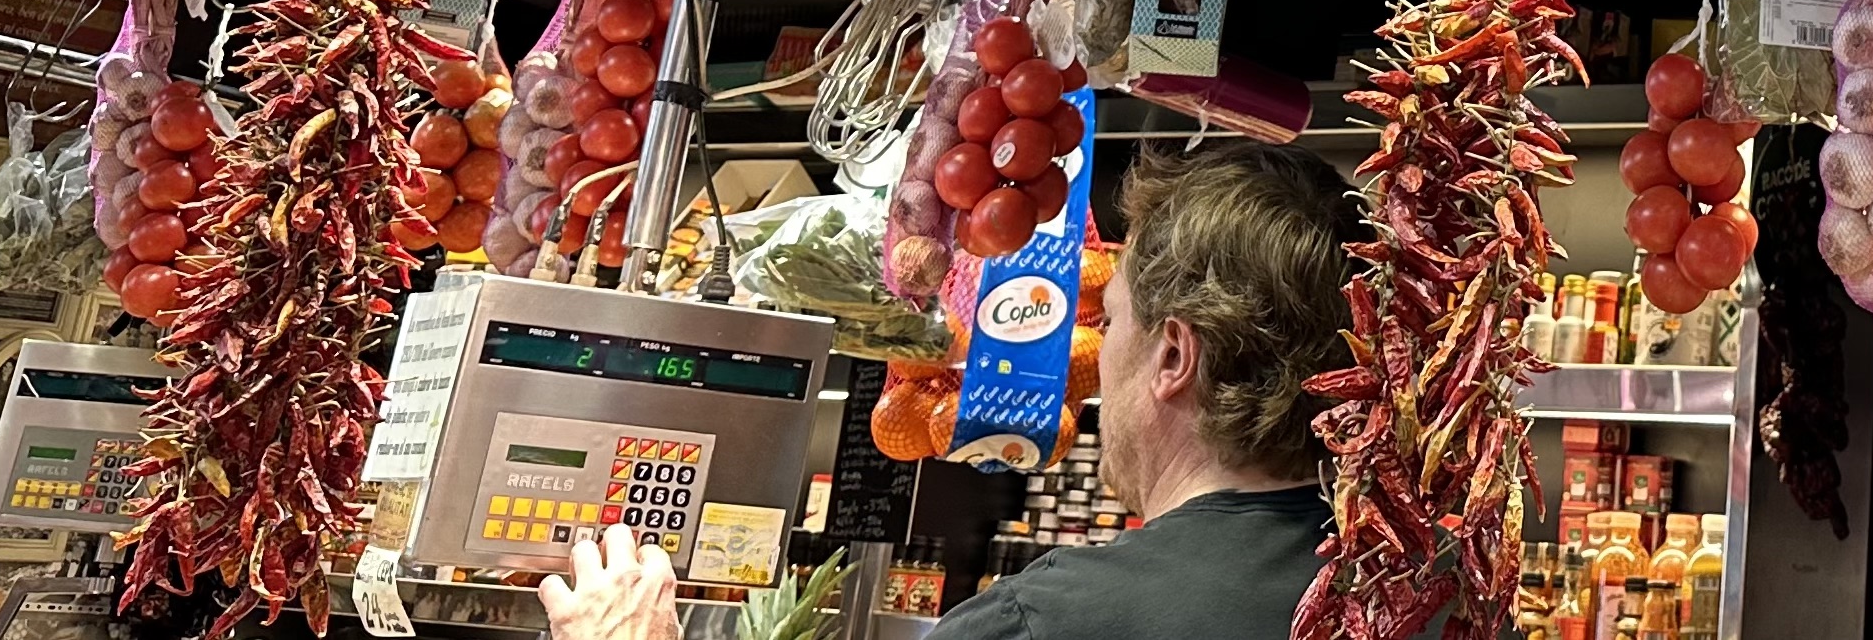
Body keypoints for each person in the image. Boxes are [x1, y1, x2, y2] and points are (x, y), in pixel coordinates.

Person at [547, 139, 1353, 640]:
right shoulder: (1408, 585)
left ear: (1173, 356)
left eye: (1111, 322)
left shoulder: (1045, 625)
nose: (1099, 353)